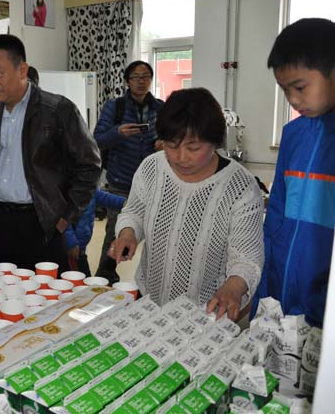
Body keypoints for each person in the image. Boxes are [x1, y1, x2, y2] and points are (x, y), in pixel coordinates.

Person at [0, 34, 101, 272]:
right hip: (0, 221)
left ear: (22, 70)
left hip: (43, 221)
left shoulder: (57, 110)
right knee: (6, 288)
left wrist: (65, 218)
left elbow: (89, 165)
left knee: (45, 289)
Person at [111, 88, 264, 320]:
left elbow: (247, 256)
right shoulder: (152, 167)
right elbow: (134, 212)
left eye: (194, 148)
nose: (181, 157)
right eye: (172, 145)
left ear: (215, 142)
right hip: (149, 300)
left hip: (206, 311)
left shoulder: (240, 187)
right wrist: (128, 232)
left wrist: (234, 286)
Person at [254, 18, 335, 328]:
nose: (293, 100)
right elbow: (275, 215)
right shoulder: (293, 134)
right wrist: (265, 292)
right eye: (284, 90)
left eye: (300, 87)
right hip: (282, 293)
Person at [94, 60, 164, 283]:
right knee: (116, 232)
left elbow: (172, 137)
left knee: (156, 234)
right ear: (127, 81)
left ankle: (152, 281)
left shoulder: (160, 108)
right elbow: (97, 140)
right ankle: (105, 278)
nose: (141, 81)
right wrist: (118, 133)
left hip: (153, 183)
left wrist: (164, 143)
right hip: (120, 182)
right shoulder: (115, 107)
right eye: (136, 77)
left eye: (146, 77)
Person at [65, 190, 126, 277]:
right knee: (78, 278)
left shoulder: (90, 189)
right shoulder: (70, 190)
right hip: (69, 248)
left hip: (81, 247)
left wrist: (125, 203)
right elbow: (63, 219)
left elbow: (105, 197)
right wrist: (71, 242)